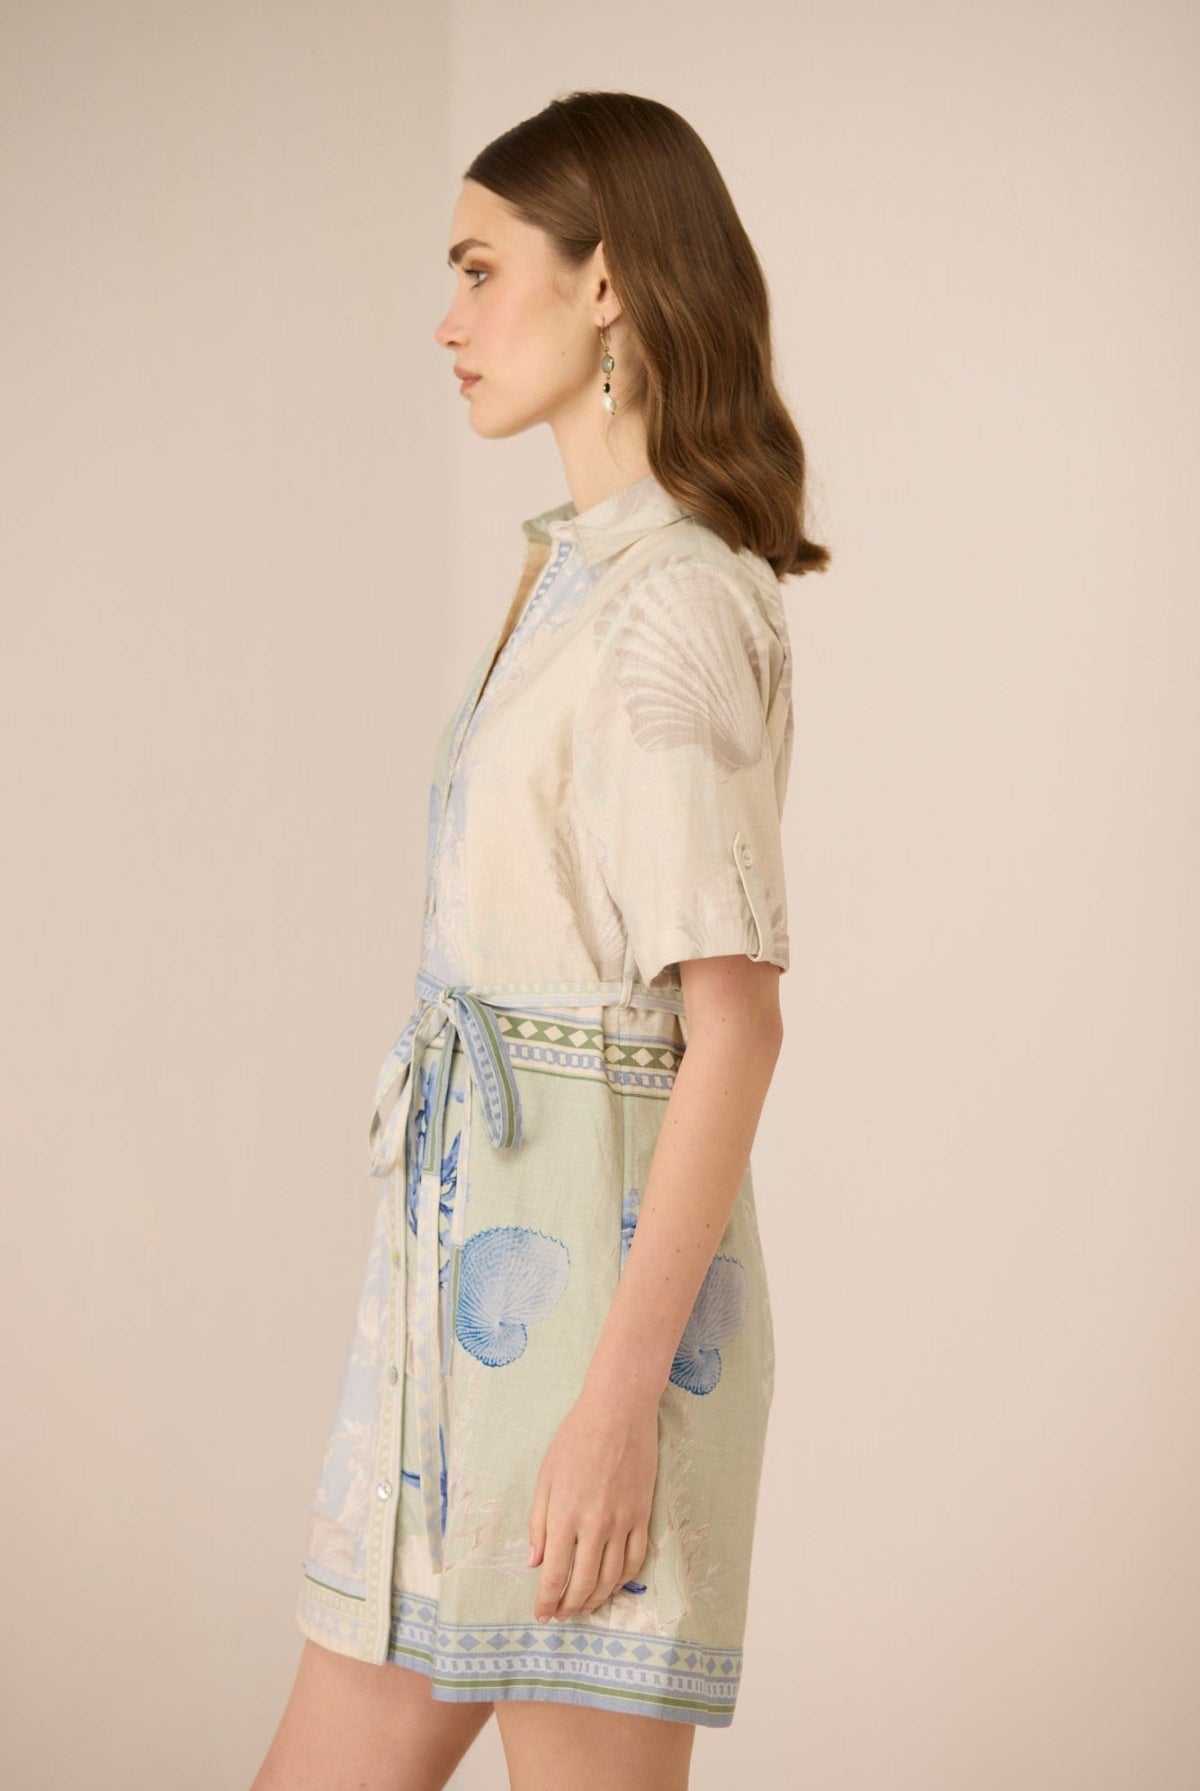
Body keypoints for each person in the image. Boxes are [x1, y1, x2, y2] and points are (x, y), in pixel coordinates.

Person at [251, 89, 829, 1791]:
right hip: (444, 1330)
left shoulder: (680, 605)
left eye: (481, 267)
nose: (448, 316)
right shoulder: (570, 572)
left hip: (590, 1350)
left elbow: (732, 1025)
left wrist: (610, 1413)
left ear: (608, 288)